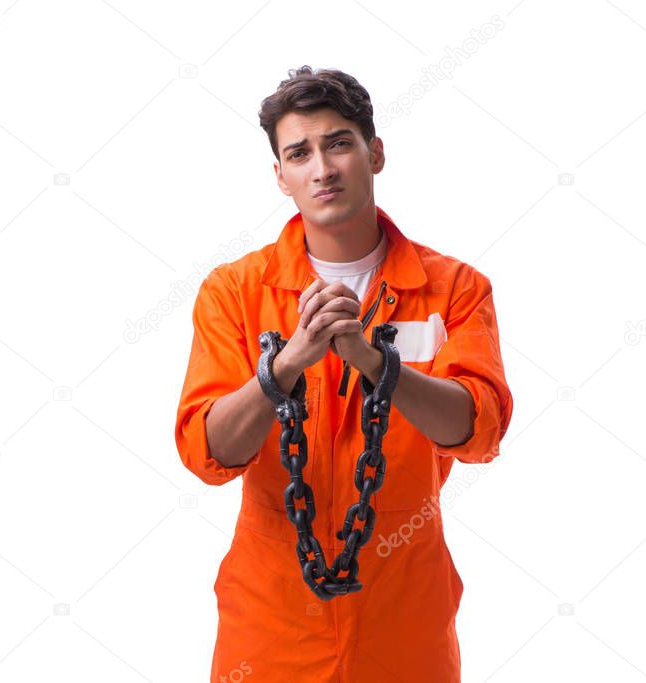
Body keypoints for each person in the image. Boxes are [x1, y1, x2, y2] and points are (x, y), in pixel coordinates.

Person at [174, 65, 514, 682]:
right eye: (299, 153)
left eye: (338, 143)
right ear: (281, 175)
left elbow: (480, 429)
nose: (322, 169)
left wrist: (374, 363)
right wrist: (285, 365)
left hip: (405, 616)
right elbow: (207, 451)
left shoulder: (455, 290)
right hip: (272, 623)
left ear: (374, 153)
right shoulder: (234, 293)